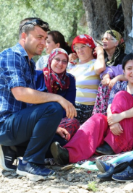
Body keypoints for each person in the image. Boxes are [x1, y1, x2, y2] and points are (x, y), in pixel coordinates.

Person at [0, 17, 76, 180]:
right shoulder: (12, 55)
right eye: (39, 37)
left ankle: (11, 150)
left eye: (45, 38)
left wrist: (50, 127)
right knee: (53, 106)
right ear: (23, 37)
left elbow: (29, 103)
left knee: (59, 141)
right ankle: (29, 163)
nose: (43, 42)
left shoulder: (30, 63)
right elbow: (20, 93)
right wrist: (57, 98)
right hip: (5, 125)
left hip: (18, 124)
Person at [50, 53, 133, 165]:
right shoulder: (119, 85)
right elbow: (110, 105)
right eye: (129, 68)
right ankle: (68, 154)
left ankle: (113, 143)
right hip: (120, 128)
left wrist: (119, 117)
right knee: (98, 118)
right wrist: (112, 122)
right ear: (124, 71)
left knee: (122, 96)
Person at [93, 36, 133, 115]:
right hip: (121, 106)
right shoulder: (129, 62)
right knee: (105, 85)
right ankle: (101, 115)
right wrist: (107, 76)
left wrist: (122, 77)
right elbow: (110, 69)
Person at [35, 48, 80, 151]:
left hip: (60, 120)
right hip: (39, 119)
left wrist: (55, 124)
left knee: (73, 122)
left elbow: (69, 107)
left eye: (64, 61)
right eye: (57, 59)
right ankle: (56, 147)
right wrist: (53, 127)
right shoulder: (38, 76)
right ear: (50, 59)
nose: (60, 64)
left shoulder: (69, 79)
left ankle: (54, 147)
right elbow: (32, 104)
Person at [68, 34, 101, 124]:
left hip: (88, 110)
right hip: (70, 108)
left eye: (83, 46)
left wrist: (100, 51)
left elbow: (101, 68)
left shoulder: (96, 63)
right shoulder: (72, 66)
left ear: (91, 48)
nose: (79, 50)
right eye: (77, 48)